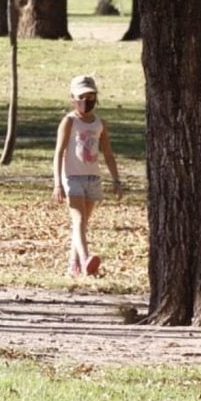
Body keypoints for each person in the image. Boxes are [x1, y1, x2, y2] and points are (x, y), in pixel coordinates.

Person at [52, 74, 123, 277]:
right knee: (79, 220)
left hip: (93, 178)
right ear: (73, 98)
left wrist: (116, 180)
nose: (86, 101)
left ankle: (72, 265)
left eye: (90, 96)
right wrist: (58, 183)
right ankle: (85, 261)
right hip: (72, 178)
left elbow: (108, 153)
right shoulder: (69, 122)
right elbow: (59, 152)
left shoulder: (99, 124)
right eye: (81, 97)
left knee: (81, 225)